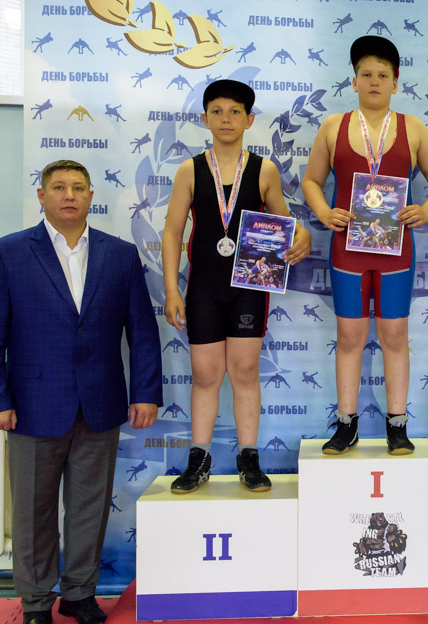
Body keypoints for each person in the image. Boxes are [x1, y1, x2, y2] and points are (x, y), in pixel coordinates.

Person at [0, 160, 163, 624]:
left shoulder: (120, 256)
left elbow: (142, 331)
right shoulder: (7, 253)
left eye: (78, 187)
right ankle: (36, 604)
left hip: (101, 403)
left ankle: (79, 594)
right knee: (33, 512)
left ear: (92, 195)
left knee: (89, 508)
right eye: (58, 187)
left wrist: (145, 391)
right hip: (31, 406)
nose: (69, 195)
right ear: (41, 195)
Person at [302, 35, 428, 456]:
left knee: (394, 336)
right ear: (353, 81)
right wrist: (324, 212)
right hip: (347, 248)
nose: (374, 81)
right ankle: (346, 424)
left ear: (395, 82)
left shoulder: (412, 127)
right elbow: (311, 181)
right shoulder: (333, 126)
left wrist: (426, 208)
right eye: (366, 74)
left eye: (382, 75)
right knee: (349, 336)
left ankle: (397, 425)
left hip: (395, 251)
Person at [162, 80, 311, 494]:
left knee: (244, 371)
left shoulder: (264, 170)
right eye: (217, 111)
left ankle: (249, 457)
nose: (225, 119)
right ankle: (199, 459)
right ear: (205, 118)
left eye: (234, 112)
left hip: (249, 287)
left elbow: (284, 223)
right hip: (203, 288)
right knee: (205, 374)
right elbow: (172, 232)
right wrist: (172, 290)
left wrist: (302, 236)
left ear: (249, 119)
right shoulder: (189, 170)